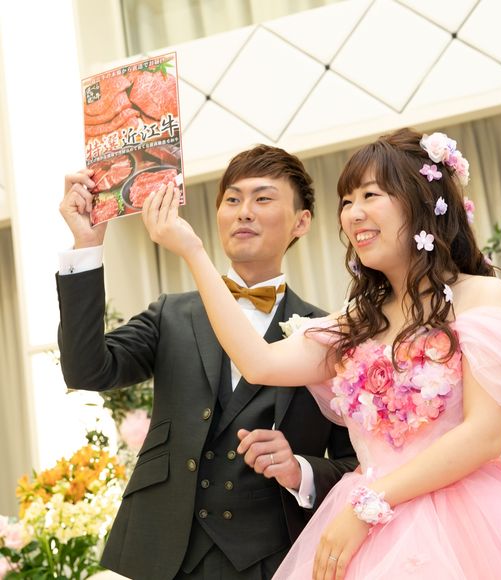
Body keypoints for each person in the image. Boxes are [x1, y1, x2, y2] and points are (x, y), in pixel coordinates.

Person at [142, 128, 501, 580]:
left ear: (421, 201)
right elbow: (259, 362)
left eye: (370, 195)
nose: (353, 214)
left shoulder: (482, 296)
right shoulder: (357, 321)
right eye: (347, 201)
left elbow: (485, 434)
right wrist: (193, 252)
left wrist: (369, 505)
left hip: (461, 522)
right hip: (367, 530)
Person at [56, 144, 358, 580]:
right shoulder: (171, 314)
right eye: (232, 199)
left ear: (302, 221)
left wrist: (301, 470)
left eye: (263, 198)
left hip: (271, 559)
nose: (244, 212)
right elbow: (87, 370)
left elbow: (357, 465)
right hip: (159, 554)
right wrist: (86, 245)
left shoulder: (330, 335)